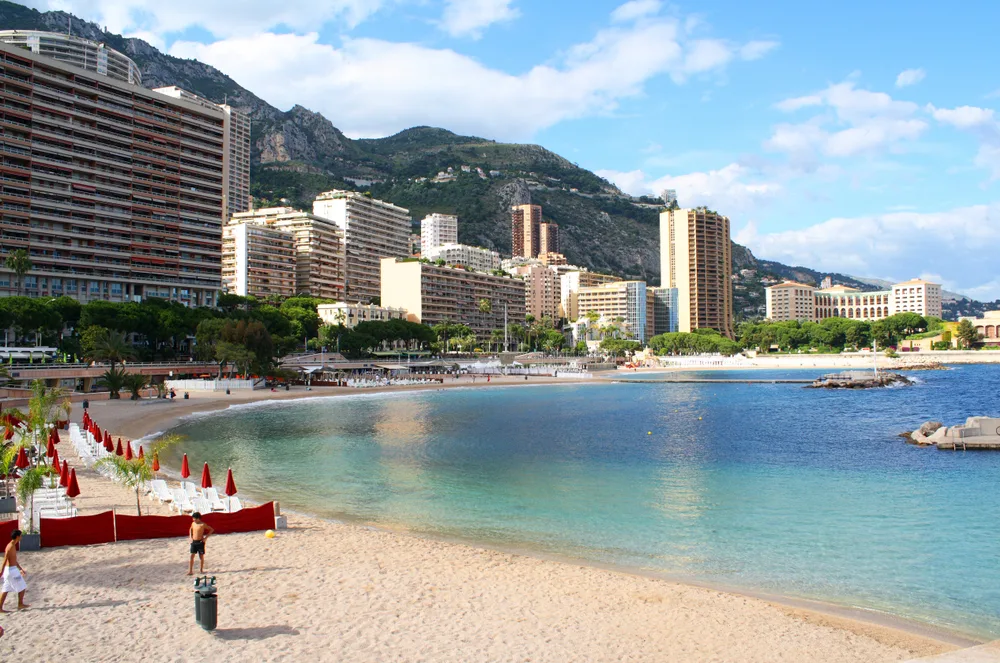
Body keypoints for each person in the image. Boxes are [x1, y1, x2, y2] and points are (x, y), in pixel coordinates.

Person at [0, 529, 28, 612]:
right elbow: (5, 560)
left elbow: (14, 560)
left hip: (11, 570)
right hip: (11, 571)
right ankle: (20, 604)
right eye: (20, 536)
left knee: (5, 590)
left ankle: (0, 608)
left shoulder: (13, 545)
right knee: (22, 587)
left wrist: (20, 568)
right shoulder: (10, 547)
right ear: (17, 537)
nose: (21, 537)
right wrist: (1, 572)